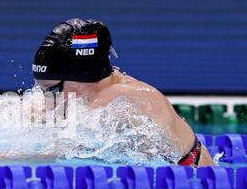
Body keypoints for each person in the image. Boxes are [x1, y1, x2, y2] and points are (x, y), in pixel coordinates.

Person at [32, 18, 215, 167]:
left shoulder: (126, 99)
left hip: (189, 186)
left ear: (77, 82)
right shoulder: (97, 93)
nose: (47, 99)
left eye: (51, 90)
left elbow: (62, 150)